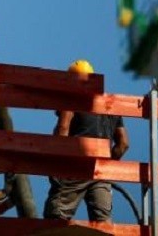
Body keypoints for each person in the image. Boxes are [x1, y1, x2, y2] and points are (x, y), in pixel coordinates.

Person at [43, 59, 129, 222]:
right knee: (103, 225)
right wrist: (108, 163)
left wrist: (56, 164)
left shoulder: (73, 98)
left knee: (56, 217)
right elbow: (123, 144)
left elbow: (63, 129)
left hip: (76, 165)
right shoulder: (110, 104)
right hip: (102, 171)